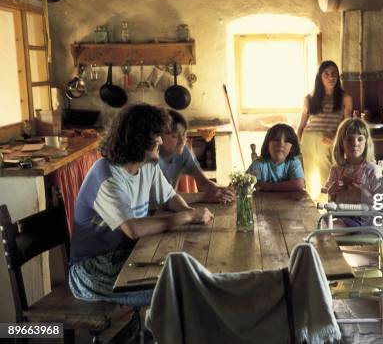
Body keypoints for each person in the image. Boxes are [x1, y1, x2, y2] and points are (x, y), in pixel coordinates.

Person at [69, 104, 214, 306]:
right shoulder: (107, 178)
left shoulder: (148, 165)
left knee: (188, 271)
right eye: (157, 135)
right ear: (139, 139)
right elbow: (133, 229)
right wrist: (188, 217)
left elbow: (170, 198)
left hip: (126, 256)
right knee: (178, 289)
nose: (161, 141)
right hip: (92, 269)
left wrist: (191, 212)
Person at [297, 60, 352, 197]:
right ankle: (315, 211)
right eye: (326, 74)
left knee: (329, 176)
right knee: (310, 178)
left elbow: (346, 124)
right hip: (308, 140)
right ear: (319, 77)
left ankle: (328, 209)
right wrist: (298, 145)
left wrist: (335, 138)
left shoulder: (345, 98)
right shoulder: (309, 98)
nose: (331, 77)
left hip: (329, 141)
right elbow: (301, 127)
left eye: (334, 74)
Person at [159, 109, 235, 204]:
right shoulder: (151, 159)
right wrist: (204, 196)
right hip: (153, 213)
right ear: (158, 137)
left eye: (183, 135)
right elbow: (165, 197)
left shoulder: (183, 151)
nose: (182, 141)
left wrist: (223, 191)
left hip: (172, 207)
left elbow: (203, 183)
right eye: (174, 136)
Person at [325, 118, 383, 227]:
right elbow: (329, 193)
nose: (355, 144)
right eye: (349, 140)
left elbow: (380, 201)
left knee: (330, 229)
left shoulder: (372, 170)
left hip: (364, 218)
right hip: (340, 215)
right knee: (325, 225)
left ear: (366, 143)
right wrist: (333, 188)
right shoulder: (336, 169)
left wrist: (362, 193)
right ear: (341, 143)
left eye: (360, 139)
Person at [247, 123, 305, 191]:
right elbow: (244, 183)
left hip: (290, 201)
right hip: (263, 201)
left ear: (292, 148)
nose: (281, 143)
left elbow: (299, 184)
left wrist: (268, 187)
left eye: (286, 141)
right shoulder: (258, 164)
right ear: (267, 144)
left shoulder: (293, 163)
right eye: (276, 139)